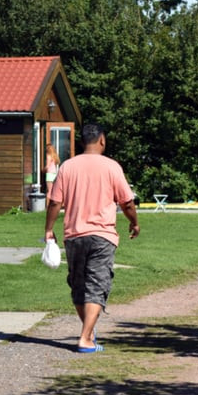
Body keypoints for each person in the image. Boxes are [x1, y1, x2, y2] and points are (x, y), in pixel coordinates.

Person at [44, 123, 139, 353]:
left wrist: (48, 229)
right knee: (97, 284)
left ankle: (88, 330)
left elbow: (56, 201)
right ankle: (86, 338)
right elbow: (126, 202)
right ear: (102, 140)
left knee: (78, 285)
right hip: (102, 235)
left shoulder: (67, 166)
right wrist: (134, 222)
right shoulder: (111, 167)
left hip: (74, 235)